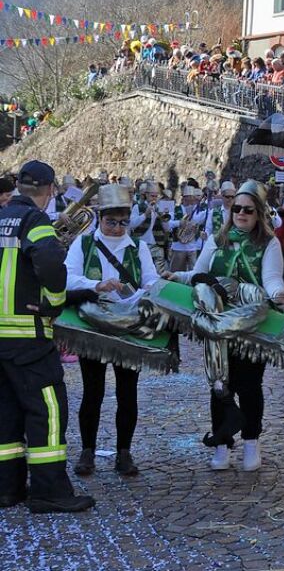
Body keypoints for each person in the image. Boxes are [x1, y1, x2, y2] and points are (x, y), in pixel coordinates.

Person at [168, 179, 284, 471]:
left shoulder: (269, 243)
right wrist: (178, 277)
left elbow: (271, 278)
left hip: (251, 325)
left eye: (248, 210)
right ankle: (222, 444)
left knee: (249, 386)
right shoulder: (217, 239)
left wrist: (277, 293)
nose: (241, 214)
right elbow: (200, 273)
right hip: (219, 321)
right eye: (237, 209)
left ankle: (251, 442)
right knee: (219, 384)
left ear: (259, 213)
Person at [0, 160, 94, 513]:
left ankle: (7, 488)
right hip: (28, 334)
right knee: (48, 412)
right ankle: (49, 490)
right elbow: (51, 264)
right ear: (50, 189)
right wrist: (53, 304)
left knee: (6, 412)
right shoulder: (34, 220)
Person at [66, 184, 160, 478]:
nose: (118, 228)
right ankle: (87, 451)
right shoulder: (83, 244)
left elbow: (152, 281)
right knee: (92, 391)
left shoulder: (139, 247)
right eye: (111, 222)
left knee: (127, 392)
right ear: (100, 218)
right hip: (92, 325)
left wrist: (143, 291)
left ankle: (124, 452)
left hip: (127, 325)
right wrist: (96, 285)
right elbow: (68, 278)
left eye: (123, 222)